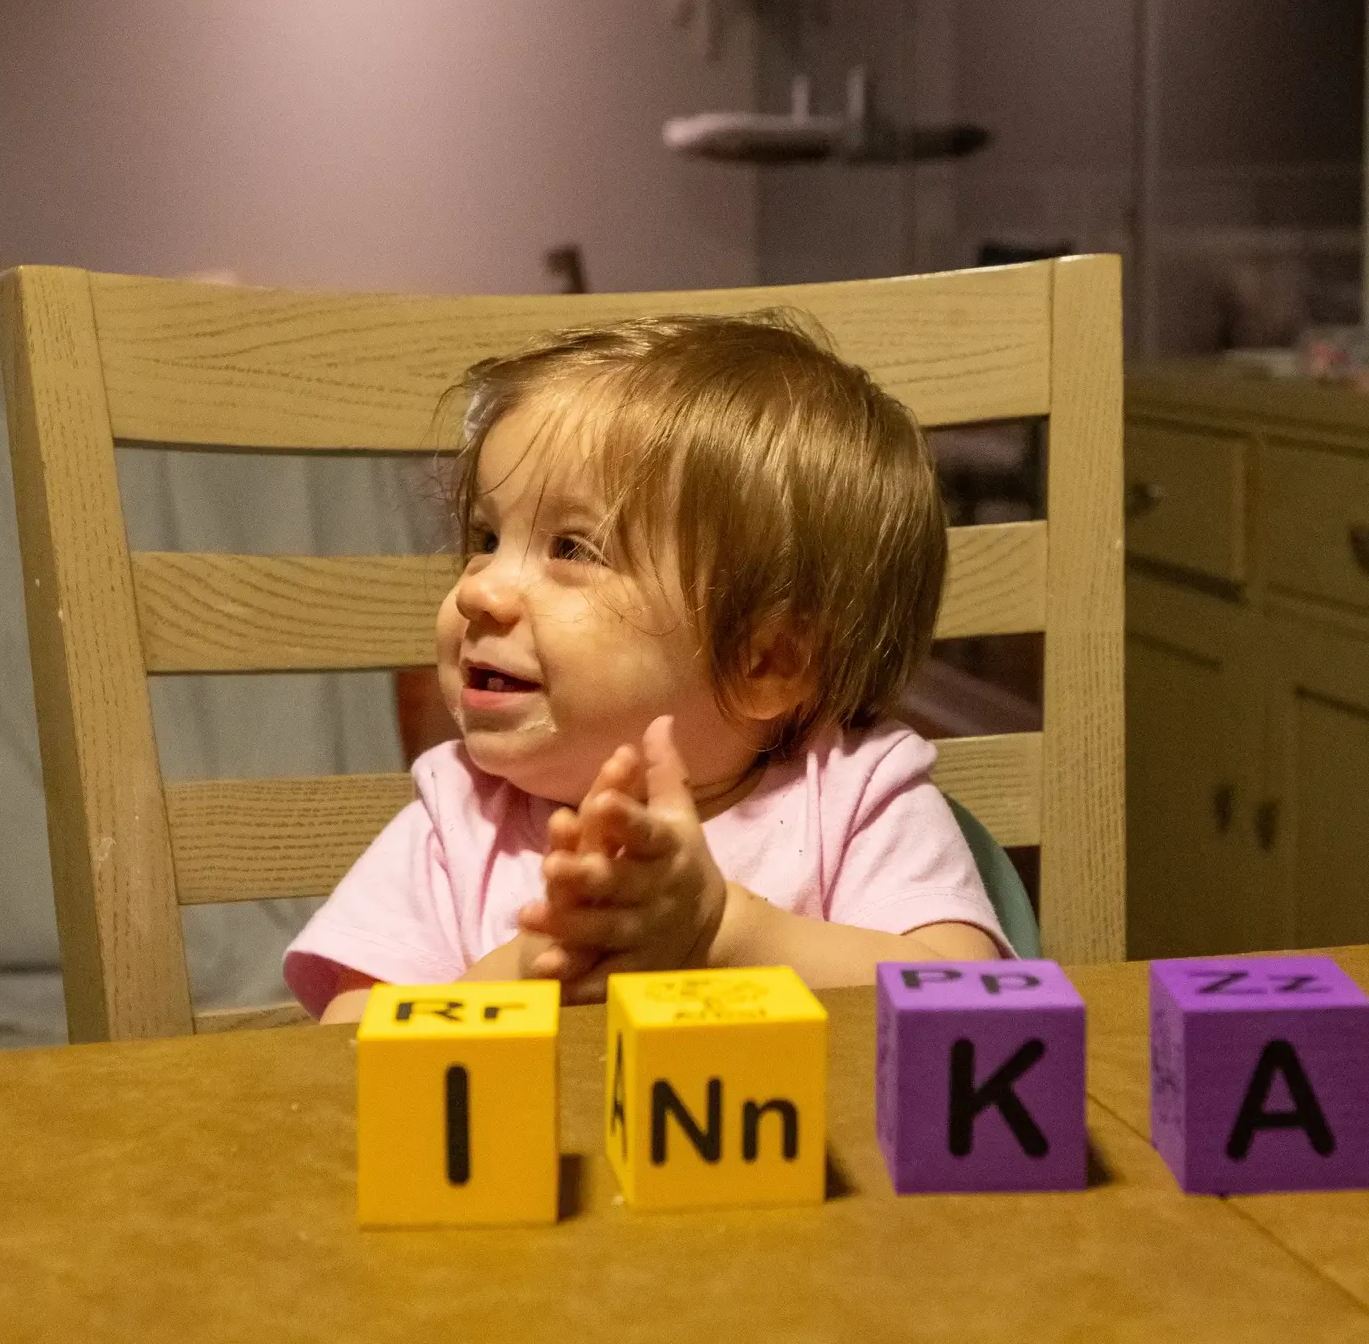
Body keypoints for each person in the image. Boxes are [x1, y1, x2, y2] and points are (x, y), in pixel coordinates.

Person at [288, 312, 1006, 1025]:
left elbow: (967, 1001)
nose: (477, 591)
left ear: (765, 662)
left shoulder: (855, 796)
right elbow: (346, 1040)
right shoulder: (457, 815)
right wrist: (529, 966)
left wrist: (725, 934)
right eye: (487, 537)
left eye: (572, 549)